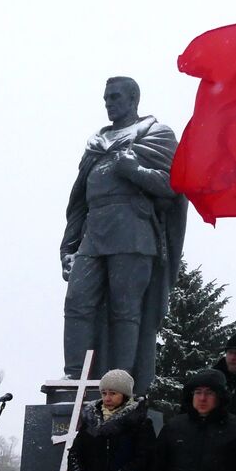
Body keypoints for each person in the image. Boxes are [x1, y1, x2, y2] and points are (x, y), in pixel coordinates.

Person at [60, 76, 185, 392]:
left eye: (115, 97)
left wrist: (135, 171)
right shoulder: (97, 143)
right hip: (95, 230)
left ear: (133, 99)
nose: (109, 103)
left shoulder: (156, 135)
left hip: (133, 230)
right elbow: (78, 200)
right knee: (77, 300)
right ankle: (75, 377)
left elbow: (174, 186)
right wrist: (69, 246)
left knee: (125, 309)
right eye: (106, 98)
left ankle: (121, 382)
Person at [67, 369, 154, 471]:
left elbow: (143, 460)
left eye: (113, 393)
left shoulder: (140, 423)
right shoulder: (90, 421)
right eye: (104, 393)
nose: (107, 398)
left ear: (125, 395)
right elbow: (75, 453)